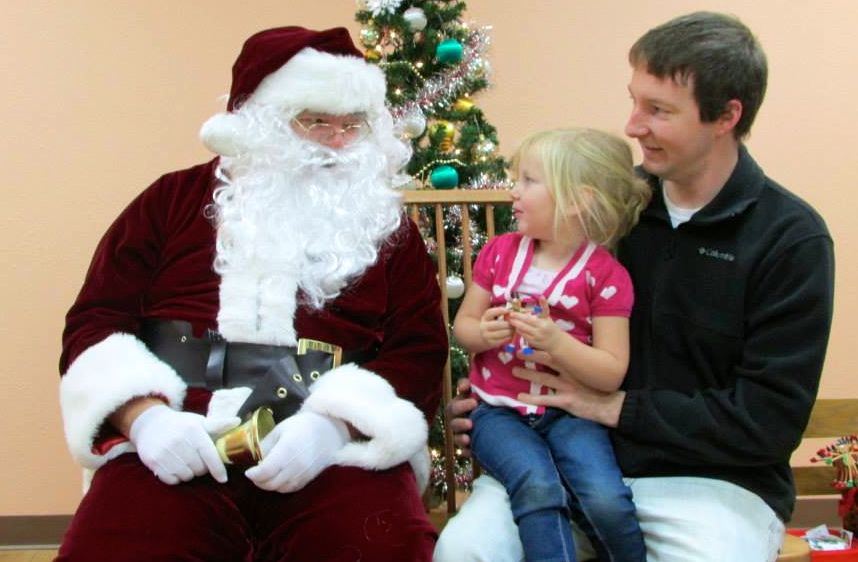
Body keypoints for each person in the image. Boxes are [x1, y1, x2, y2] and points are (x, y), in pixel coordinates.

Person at [435, 11, 835, 562]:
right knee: (464, 551)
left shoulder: (790, 239)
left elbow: (764, 422)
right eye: (634, 101)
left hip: (712, 486)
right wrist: (491, 403)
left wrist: (615, 407)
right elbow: (509, 319)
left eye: (659, 110)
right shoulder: (602, 210)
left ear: (725, 116)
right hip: (557, 453)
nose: (632, 125)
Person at [56, 26, 448, 562]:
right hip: (180, 435)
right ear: (261, 122)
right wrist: (145, 418)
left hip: (328, 448)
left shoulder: (389, 230)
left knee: (380, 546)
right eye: (315, 122)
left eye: (353, 125)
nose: (338, 142)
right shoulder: (169, 201)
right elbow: (96, 322)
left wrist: (334, 427)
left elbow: (419, 348)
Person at [454, 128, 649, 562]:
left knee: (605, 499)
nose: (513, 192)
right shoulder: (499, 253)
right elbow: (463, 326)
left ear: (576, 199)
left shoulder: (606, 276)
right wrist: (482, 333)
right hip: (499, 412)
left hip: (570, 414)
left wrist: (556, 343)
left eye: (528, 181)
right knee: (537, 485)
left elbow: (611, 371)